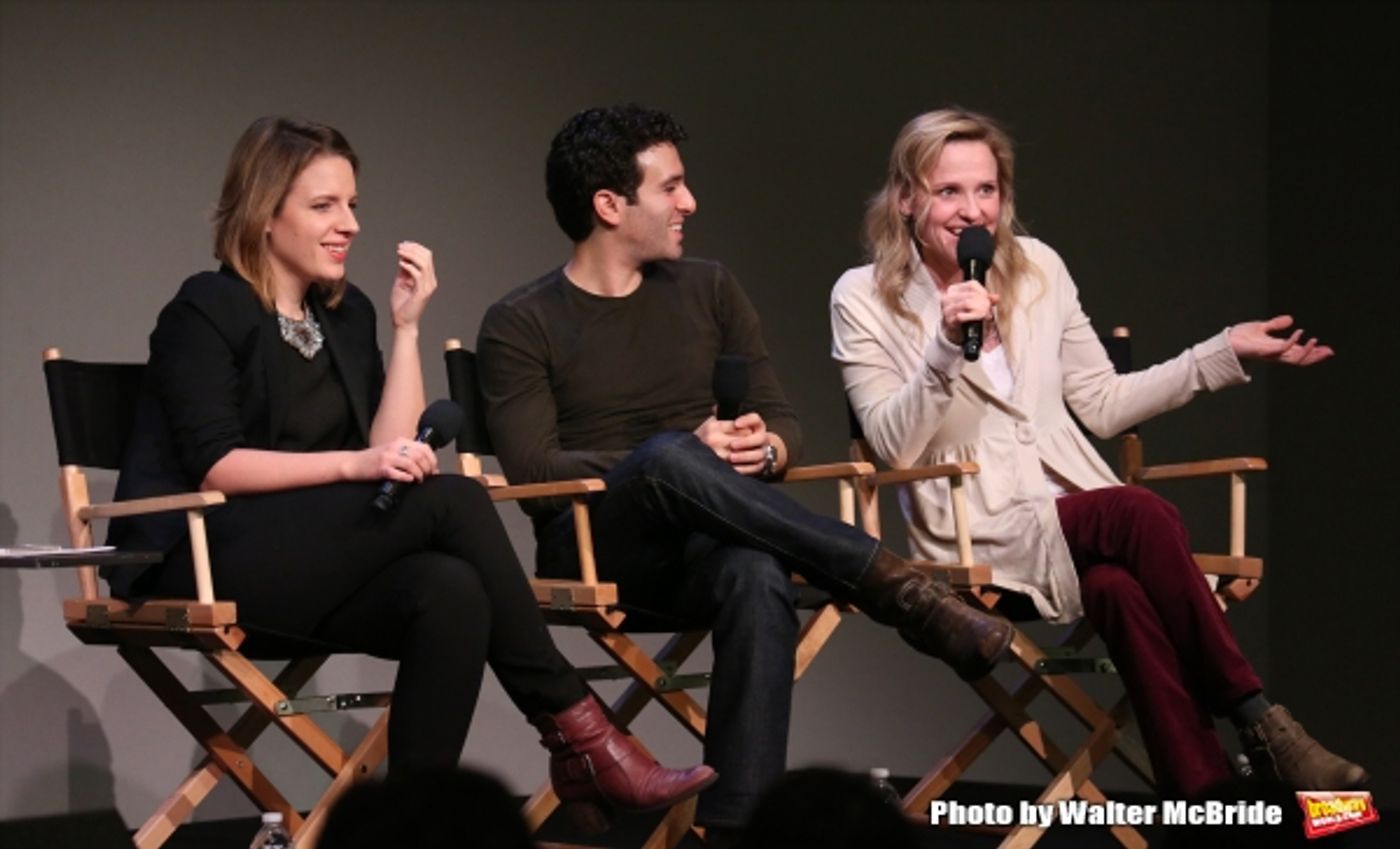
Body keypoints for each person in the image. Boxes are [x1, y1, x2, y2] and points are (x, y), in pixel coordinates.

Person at [106, 116, 714, 833]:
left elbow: (391, 453)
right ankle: (582, 731)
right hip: (203, 554)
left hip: (300, 558)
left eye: (353, 205)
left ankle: (413, 828)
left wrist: (406, 328)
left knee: (449, 590)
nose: (350, 225)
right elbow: (219, 462)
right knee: (453, 499)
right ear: (265, 214)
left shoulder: (346, 312)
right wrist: (356, 463)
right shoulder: (206, 308)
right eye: (324, 206)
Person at [475, 103, 1014, 838]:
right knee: (668, 456)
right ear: (609, 205)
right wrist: (683, 448)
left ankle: (732, 828)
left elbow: (783, 424)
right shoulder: (521, 320)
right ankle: (896, 587)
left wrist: (763, 450)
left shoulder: (710, 288)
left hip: (710, 540)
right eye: (671, 187)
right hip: (601, 544)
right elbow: (533, 464)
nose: (689, 202)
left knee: (758, 574)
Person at [829, 108, 1368, 798]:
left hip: (1076, 507)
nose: (973, 212)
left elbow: (1103, 403)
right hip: (979, 525)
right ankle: (1261, 719)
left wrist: (1220, 352)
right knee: (1138, 514)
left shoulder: (1039, 269)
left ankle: (1201, 798)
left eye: (987, 190)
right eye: (949, 192)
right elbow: (889, 445)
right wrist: (943, 345)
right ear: (907, 199)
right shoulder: (863, 296)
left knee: (1119, 588)